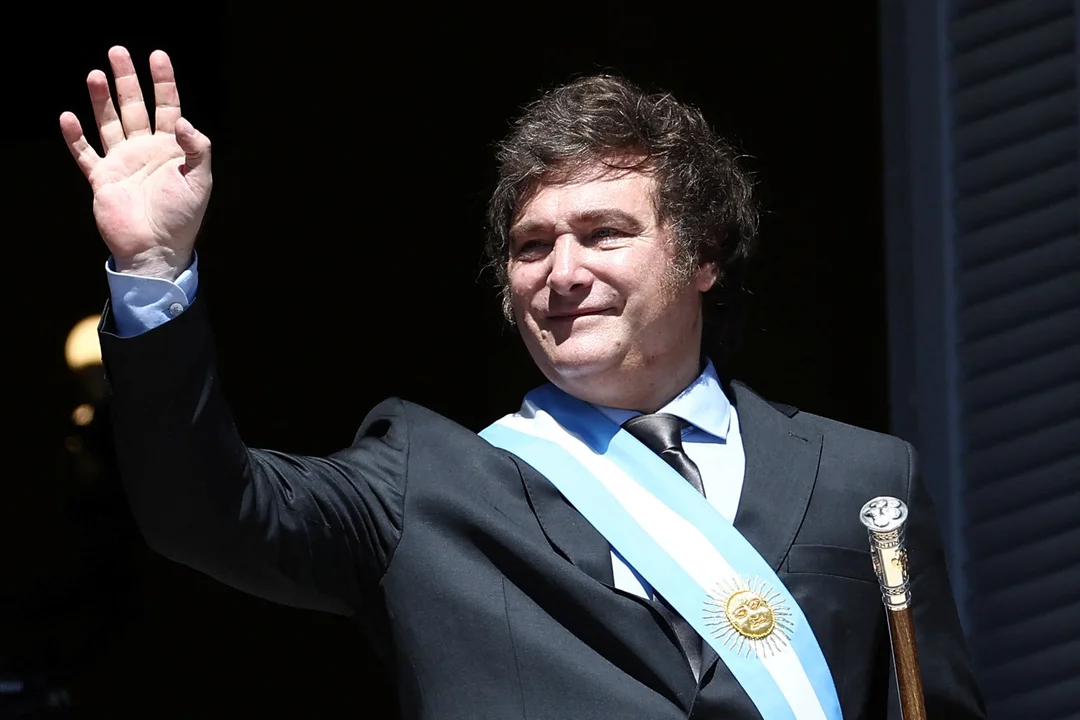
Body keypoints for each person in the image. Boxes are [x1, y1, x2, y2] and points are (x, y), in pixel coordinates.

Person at [60, 46, 986, 719]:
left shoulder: (864, 478)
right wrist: (152, 269)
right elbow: (203, 511)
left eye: (604, 234)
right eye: (532, 246)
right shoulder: (423, 485)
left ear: (702, 257)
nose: (562, 272)